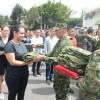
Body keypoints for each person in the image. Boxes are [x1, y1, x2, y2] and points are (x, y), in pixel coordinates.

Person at [32, 24, 74, 100]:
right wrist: (42, 54)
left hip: (63, 76)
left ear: (63, 30)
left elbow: (61, 60)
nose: (55, 33)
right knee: (58, 94)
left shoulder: (67, 42)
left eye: (56, 31)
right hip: (58, 73)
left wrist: (43, 58)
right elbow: (52, 53)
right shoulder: (59, 41)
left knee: (63, 96)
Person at [4, 25, 34, 100]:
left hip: (24, 74)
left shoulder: (22, 44)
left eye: (24, 33)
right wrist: (27, 63)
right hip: (13, 76)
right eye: (21, 33)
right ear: (14, 33)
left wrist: (33, 56)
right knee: (12, 95)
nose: (23, 35)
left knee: (21, 94)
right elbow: (12, 62)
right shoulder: (9, 45)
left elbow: (25, 56)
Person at [0, 25, 9, 100]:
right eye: (5, 30)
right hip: (1, 60)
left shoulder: (10, 39)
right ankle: (1, 91)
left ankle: (11, 89)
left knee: (9, 76)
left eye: (7, 30)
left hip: (9, 60)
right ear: (1, 31)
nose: (6, 32)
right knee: (2, 77)